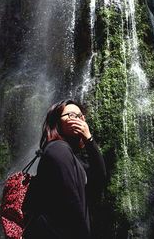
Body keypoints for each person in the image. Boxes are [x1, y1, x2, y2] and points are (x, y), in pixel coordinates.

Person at [22, 99, 107, 239]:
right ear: (57, 121)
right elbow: (71, 202)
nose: (78, 119)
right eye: (71, 115)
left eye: (80, 116)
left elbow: (100, 177)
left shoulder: (73, 157)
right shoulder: (57, 149)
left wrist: (89, 139)